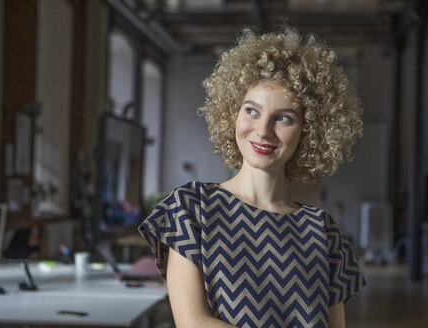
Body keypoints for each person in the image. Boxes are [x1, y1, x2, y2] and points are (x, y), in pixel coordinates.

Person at [139, 27, 366, 328]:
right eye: (252, 111)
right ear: (232, 113)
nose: (263, 131)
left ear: (309, 132)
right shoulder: (190, 208)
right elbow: (193, 323)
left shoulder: (324, 232)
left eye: (284, 117)